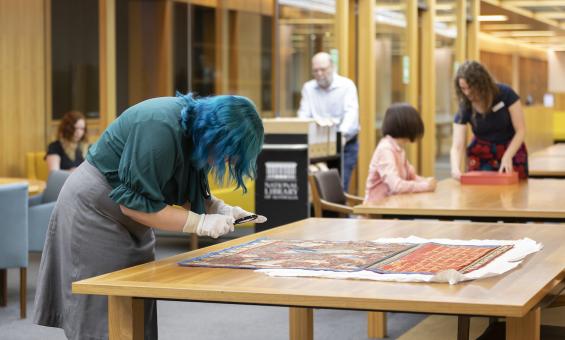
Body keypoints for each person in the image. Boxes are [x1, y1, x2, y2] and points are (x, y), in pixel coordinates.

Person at [33, 93, 267, 340]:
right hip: (95, 209)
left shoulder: (197, 131)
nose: (228, 161)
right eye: (229, 153)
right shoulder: (160, 126)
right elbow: (133, 205)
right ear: (217, 133)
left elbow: (178, 184)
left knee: (137, 304)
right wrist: (199, 223)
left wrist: (216, 208)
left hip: (134, 215)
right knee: (102, 313)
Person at [450, 60, 528, 179]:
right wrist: (455, 168)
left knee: (514, 192)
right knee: (480, 193)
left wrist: (507, 156)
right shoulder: (466, 105)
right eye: (463, 88)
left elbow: (520, 130)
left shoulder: (505, 94)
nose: (467, 93)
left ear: (482, 83)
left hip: (511, 149)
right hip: (482, 153)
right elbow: (457, 145)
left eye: (470, 88)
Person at [297, 52, 359, 191]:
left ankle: (341, 213)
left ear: (332, 67)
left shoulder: (346, 86)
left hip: (344, 144)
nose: (319, 73)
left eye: (323, 69)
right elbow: (304, 115)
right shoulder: (308, 88)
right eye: (315, 70)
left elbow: (351, 115)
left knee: (339, 187)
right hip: (318, 147)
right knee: (318, 190)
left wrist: (342, 136)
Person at [364, 103, 436, 203]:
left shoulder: (398, 149)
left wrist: (425, 181)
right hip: (378, 211)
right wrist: (424, 186)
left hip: (393, 205)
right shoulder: (386, 149)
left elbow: (411, 177)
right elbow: (396, 186)